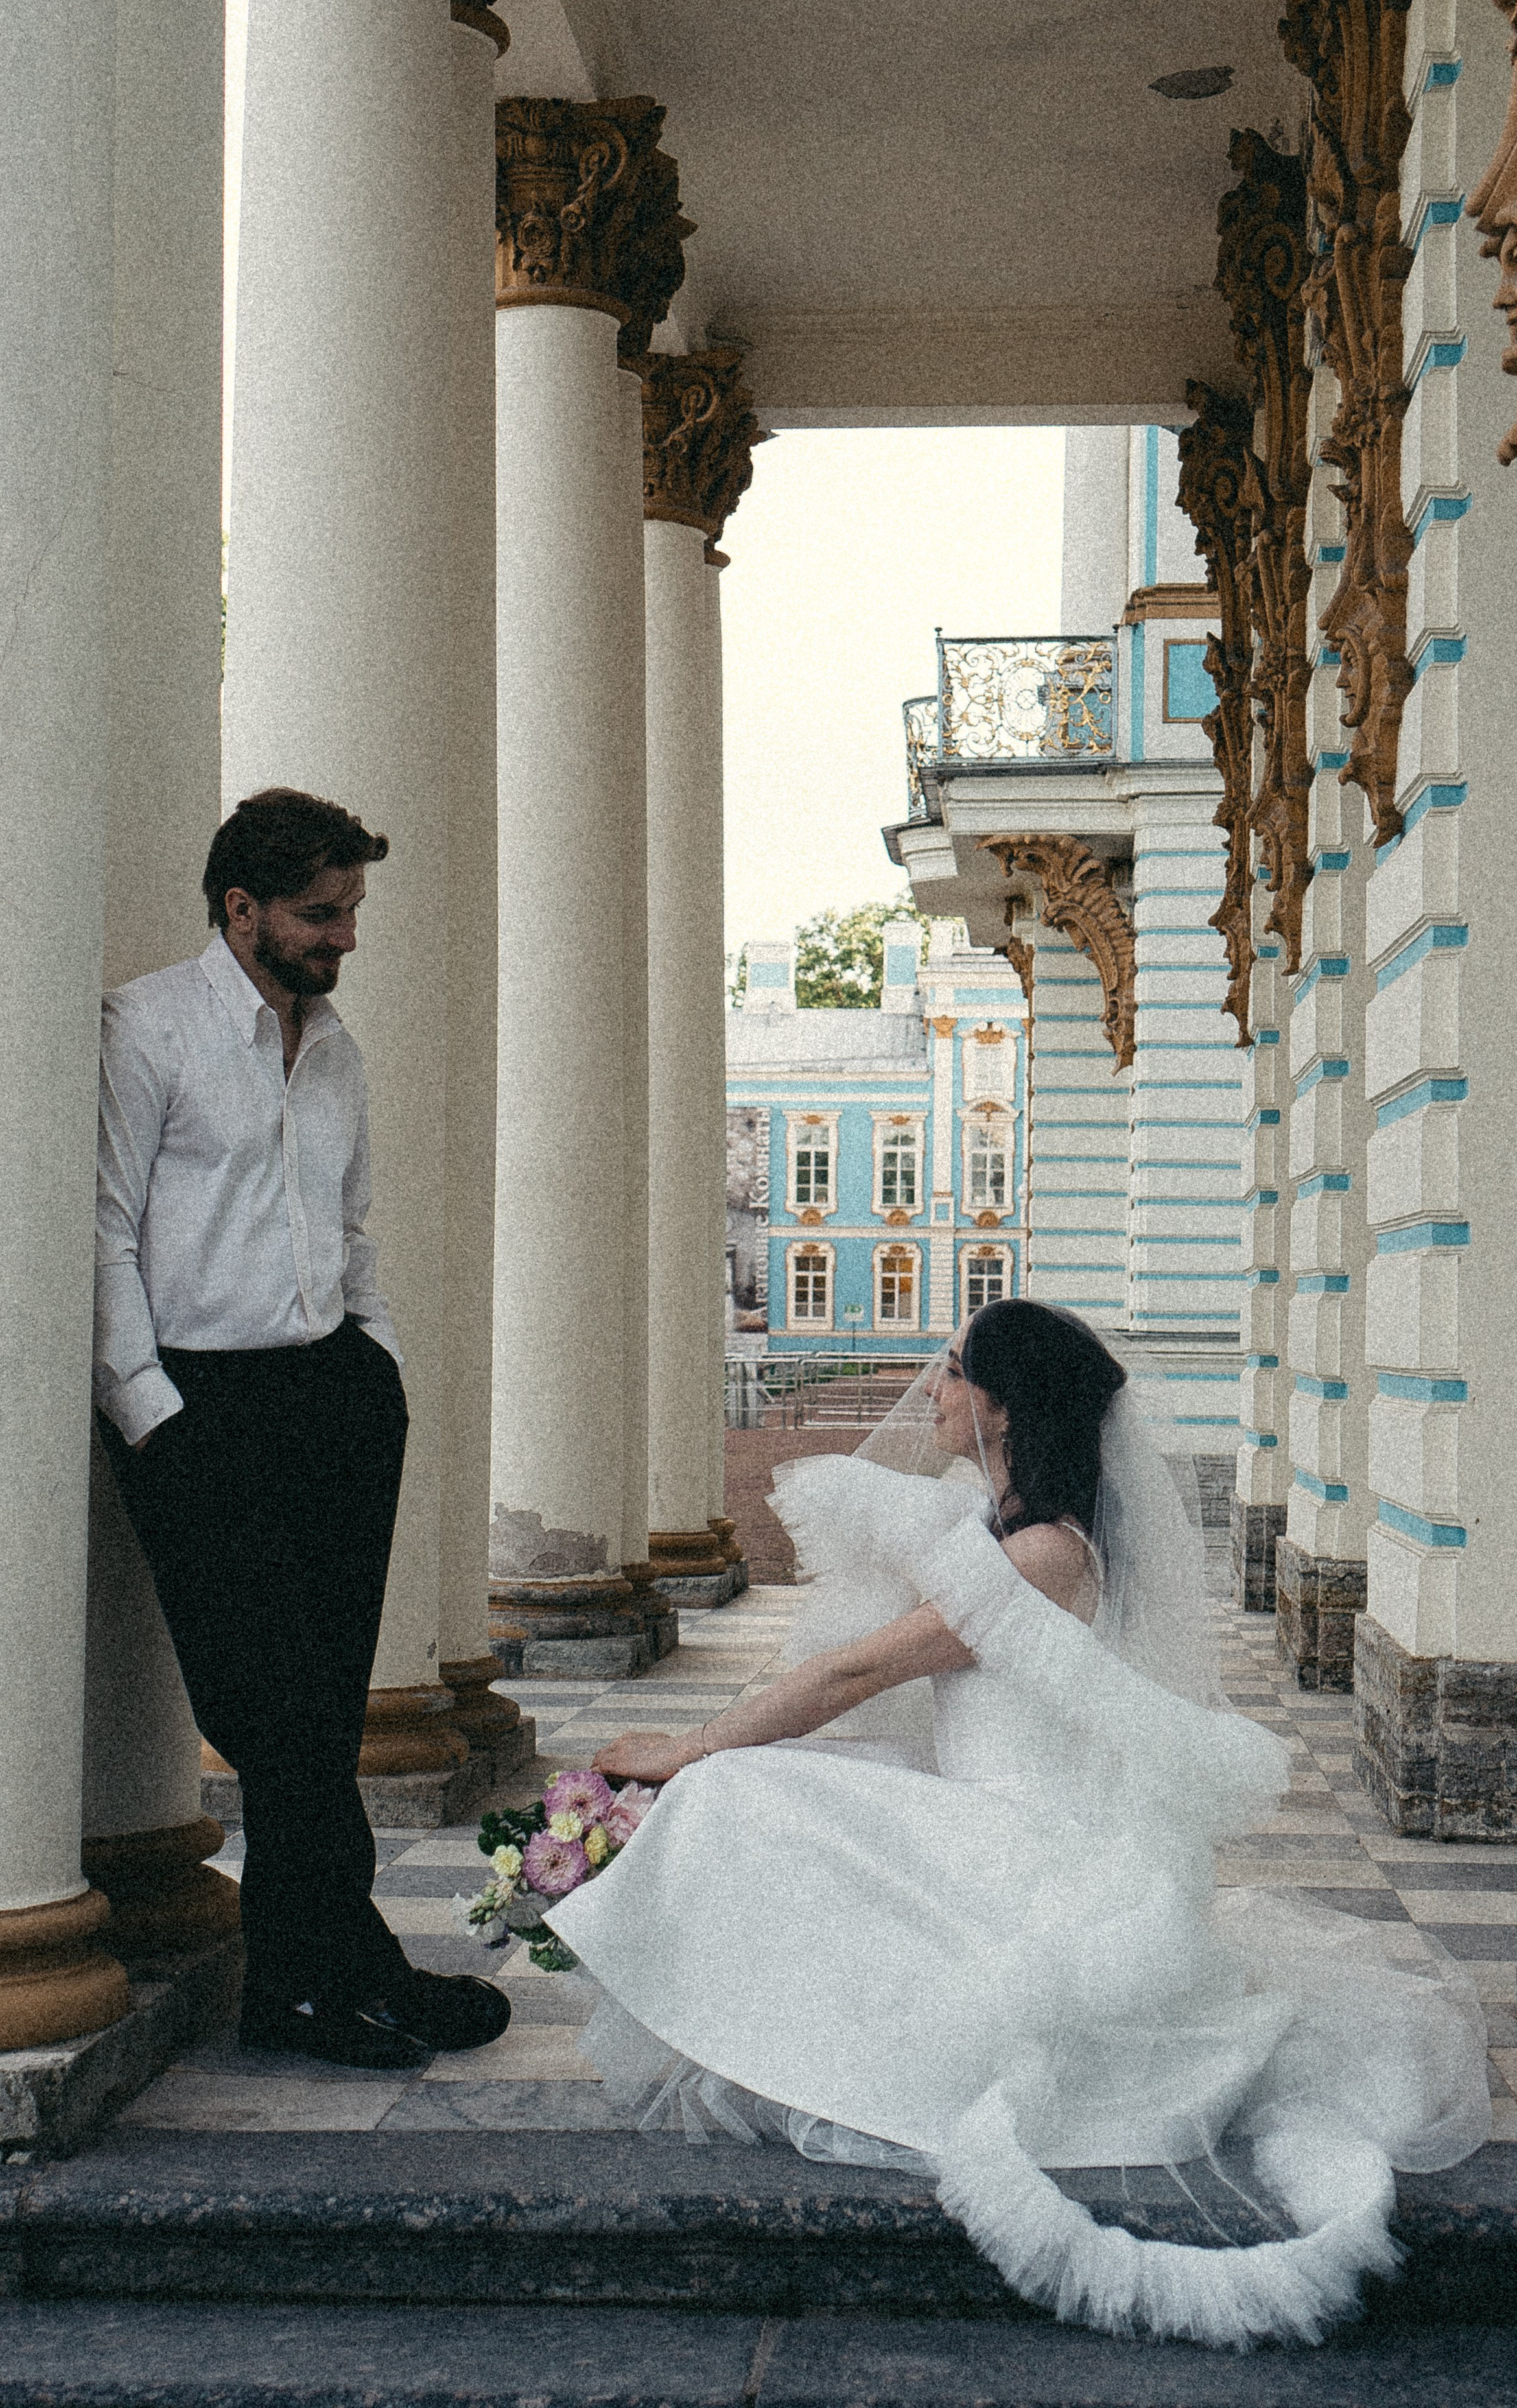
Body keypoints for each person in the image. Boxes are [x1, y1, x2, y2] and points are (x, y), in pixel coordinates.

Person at [546, 1301, 1490, 2349]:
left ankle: (797, 2036)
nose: (934, 1390)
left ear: (1000, 1403)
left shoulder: (1042, 1554)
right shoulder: (1001, 1526)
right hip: (985, 1810)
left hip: (1029, 1842)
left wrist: (692, 1745)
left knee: (736, 1792)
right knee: (796, 1783)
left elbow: (860, 1670)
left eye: (952, 1372)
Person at [93, 786, 509, 2070]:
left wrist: (371, 1363)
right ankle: (330, 1973)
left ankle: (317, 1977)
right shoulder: (147, 1031)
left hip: (329, 1400)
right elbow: (102, 1231)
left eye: (349, 913)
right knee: (272, 1716)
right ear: (243, 909)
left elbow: (351, 1226)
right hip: (199, 1411)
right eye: (321, 915)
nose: (343, 939)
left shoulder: (336, 1051)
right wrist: (153, 1412)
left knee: (320, 1719)